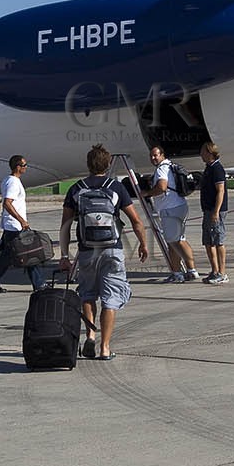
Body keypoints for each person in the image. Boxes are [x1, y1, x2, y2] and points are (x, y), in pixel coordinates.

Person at [60, 144, 149, 359]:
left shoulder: (76, 189)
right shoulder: (116, 188)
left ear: (88, 164)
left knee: (88, 294)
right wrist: (143, 244)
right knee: (111, 298)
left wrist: (64, 256)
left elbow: (65, 226)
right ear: (108, 164)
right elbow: (135, 221)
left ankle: (90, 335)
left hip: (87, 251)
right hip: (112, 250)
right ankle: (105, 347)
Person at [0, 154, 47, 292]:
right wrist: (21, 220)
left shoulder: (10, 180)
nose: (26, 168)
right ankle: (39, 284)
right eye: (24, 165)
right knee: (28, 252)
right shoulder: (12, 182)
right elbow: (7, 203)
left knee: (8, 257)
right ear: (18, 167)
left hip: (11, 225)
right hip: (14, 226)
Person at [140, 145, 200, 282]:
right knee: (174, 241)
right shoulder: (170, 166)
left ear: (162, 155)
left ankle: (191, 270)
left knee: (177, 241)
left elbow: (162, 187)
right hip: (178, 206)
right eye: (151, 156)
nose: (153, 158)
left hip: (170, 208)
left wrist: (148, 193)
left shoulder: (162, 168)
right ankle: (177, 273)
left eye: (155, 155)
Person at [199, 141, 229, 284]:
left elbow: (220, 191)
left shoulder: (217, 169)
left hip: (215, 210)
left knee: (218, 240)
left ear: (210, 152)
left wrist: (216, 211)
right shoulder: (208, 168)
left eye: (203, 152)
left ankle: (222, 273)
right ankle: (214, 270)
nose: (201, 155)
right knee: (208, 241)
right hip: (207, 209)